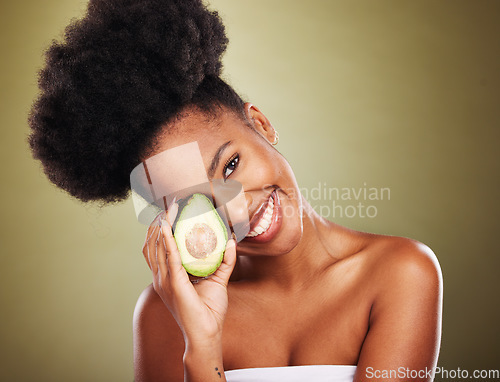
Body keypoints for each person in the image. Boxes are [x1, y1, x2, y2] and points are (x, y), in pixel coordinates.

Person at [27, 0, 443, 381]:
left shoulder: (400, 273)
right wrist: (202, 341)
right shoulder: (166, 313)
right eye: (196, 201)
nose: (237, 208)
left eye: (230, 165)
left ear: (261, 124)